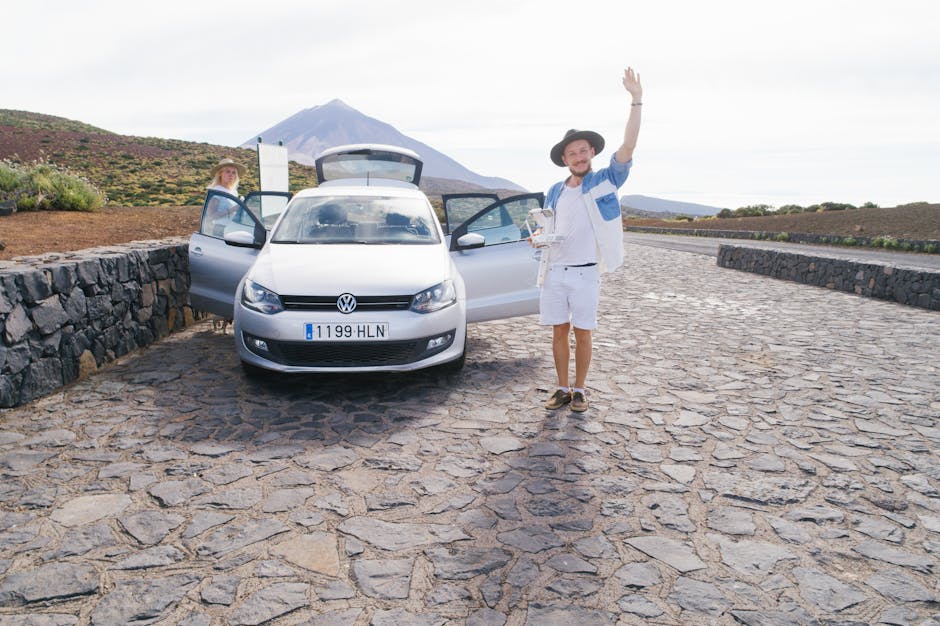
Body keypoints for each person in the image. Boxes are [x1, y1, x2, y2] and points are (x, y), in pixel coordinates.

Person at [533, 67, 643, 412]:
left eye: (583, 151)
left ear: (591, 152)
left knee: (583, 332)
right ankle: (562, 387)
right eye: (572, 154)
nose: (578, 157)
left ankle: (580, 389)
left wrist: (636, 100)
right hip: (555, 272)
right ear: (564, 160)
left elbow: (628, 145)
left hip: (585, 273)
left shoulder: (606, 181)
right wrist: (538, 237)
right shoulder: (553, 191)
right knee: (558, 332)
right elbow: (546, 227)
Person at [205, 158, 246, 231]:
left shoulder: (234, 191)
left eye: (234, 172)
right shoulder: (216, 191)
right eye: (228, 172)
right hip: (220, 229)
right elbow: (210, 216)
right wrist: (232, 209)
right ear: (220, 173)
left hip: (233, 228)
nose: (231, 175)